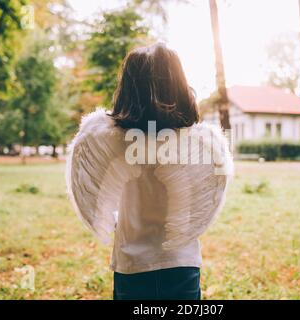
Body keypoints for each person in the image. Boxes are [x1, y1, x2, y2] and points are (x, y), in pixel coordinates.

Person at [66, 43, 233, 300]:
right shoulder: (197, 143)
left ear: (128, 88)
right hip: (181, 264)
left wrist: (106, 222)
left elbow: (85, 168)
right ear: (179, 85)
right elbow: (212, 190)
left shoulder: (109, 140)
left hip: (132, 264)